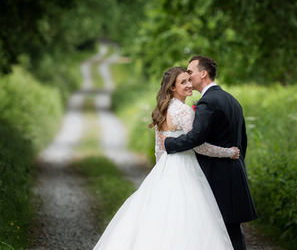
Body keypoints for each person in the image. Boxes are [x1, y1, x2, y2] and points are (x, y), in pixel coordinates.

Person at [93, 66, 241, 250]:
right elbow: (198, 145)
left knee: (160, 216)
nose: (189, 85)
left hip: (165, 168)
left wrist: (160, 170)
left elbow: (159, 148)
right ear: (172, 88)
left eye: (188, 80)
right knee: (188, 217)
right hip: (185, 168)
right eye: (183, 82)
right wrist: (229, 152)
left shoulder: (163, 110)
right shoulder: (184, 111)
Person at [160, 56, 258, 250]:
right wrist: (236, 161)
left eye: (190, 72)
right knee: (231, 232)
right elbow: (242, 140)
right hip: (234, 171)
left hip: (217, 176)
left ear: (203, 73)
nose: (188, 76)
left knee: (219, 232)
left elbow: (196, 138)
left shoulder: (208, 102)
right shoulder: (232, 100)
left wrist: (169, 143)